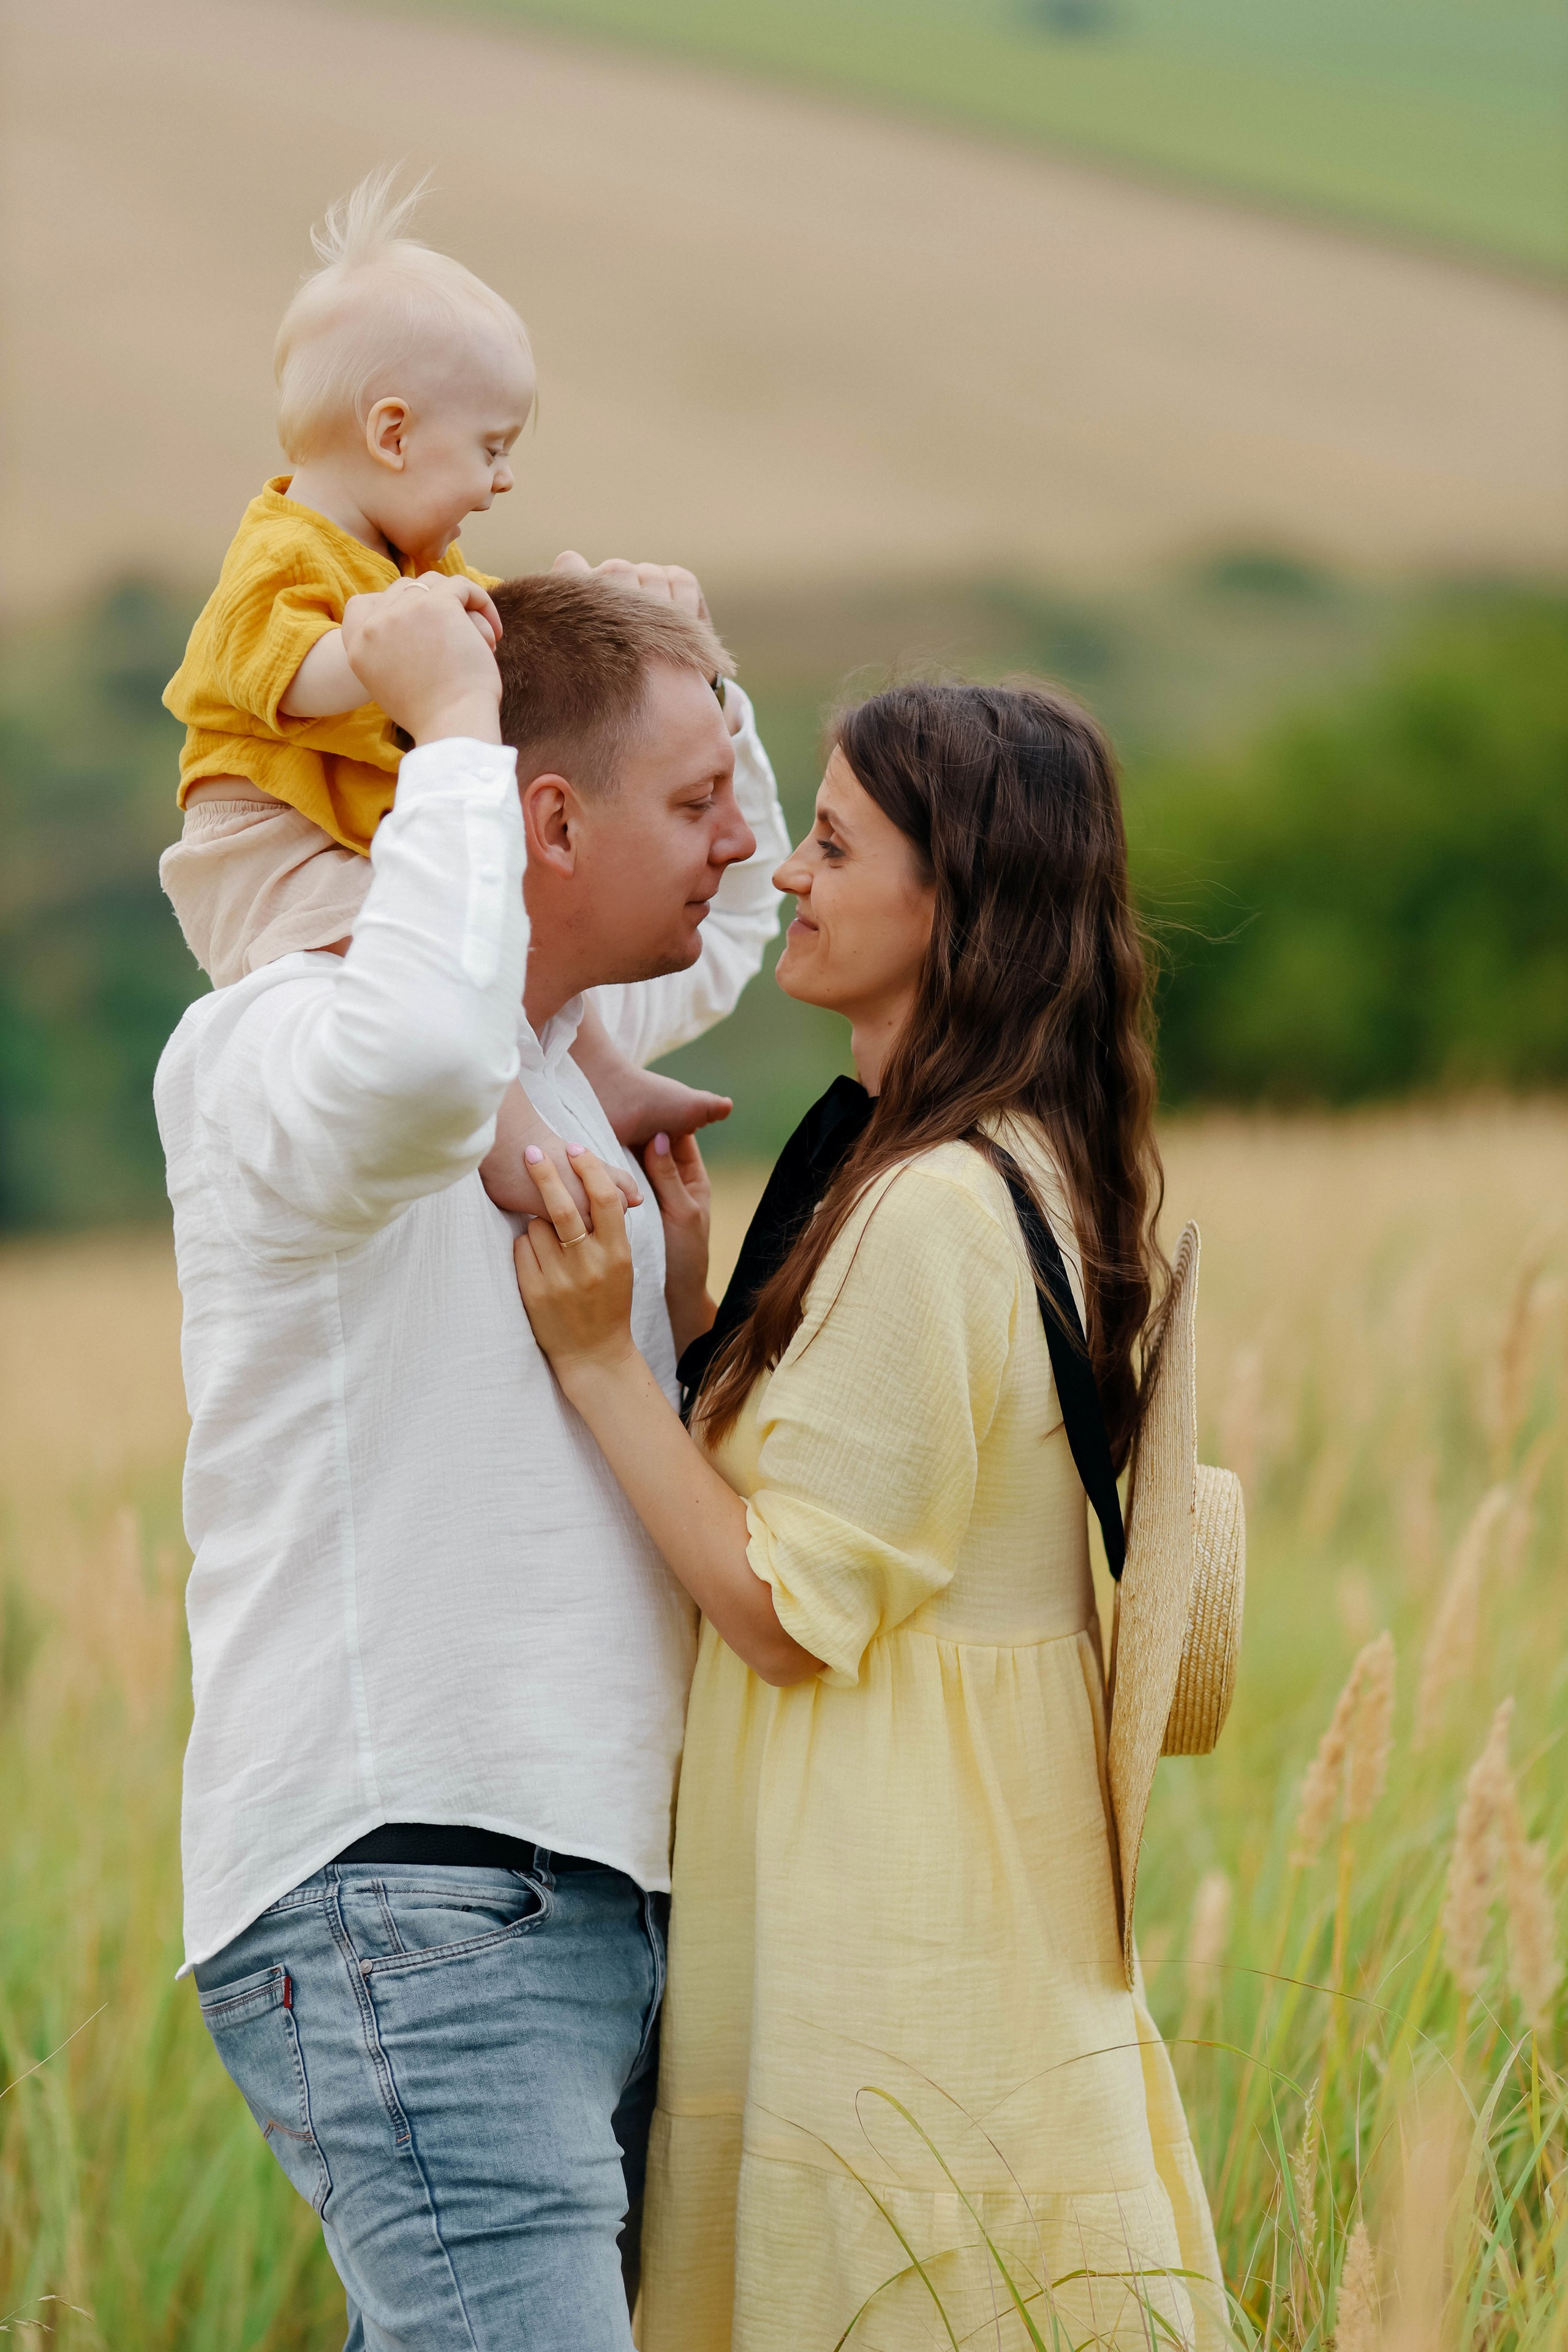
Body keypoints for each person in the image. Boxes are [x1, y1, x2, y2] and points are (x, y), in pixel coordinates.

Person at [514, 681, 1228, 2350]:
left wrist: (600, 1369)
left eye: (833, 845)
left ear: (953, 898)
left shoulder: (931, 1210)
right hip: (958, 1870)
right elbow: (873, 1493)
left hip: (895, 1904)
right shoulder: (1004, 1165)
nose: (783, 872)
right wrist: (696, 1323)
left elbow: (785, 1610)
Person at [156, 565, 790, 2350]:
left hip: (577, 1888)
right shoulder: (283, 1048)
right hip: (418, 1886)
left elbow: (728, 926)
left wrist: (692, 654)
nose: (741, 837)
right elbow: (429, 1055)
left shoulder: (553, 1059)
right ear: (546, 823)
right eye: (695, 797)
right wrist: (447, 726)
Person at [162, 164, 730, 1224]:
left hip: (352, 824)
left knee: (502, 922)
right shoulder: (281, 553)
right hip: (271, 844)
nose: (503, 479)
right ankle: (514, 1141)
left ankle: (599, 1072)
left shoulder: (420, 562)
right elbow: (274, 673)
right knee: (421, 953)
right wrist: (396, 660)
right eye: (491, 448)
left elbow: (505, 651)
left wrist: (587, 619)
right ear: (392, 435)